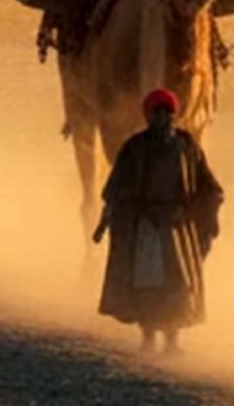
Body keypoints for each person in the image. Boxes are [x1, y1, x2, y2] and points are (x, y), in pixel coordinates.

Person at [93, 88, 224, 354]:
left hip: (178, 227)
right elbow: (116, 188)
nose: (162, 118)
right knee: (148, 283)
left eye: (166, 112)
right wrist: (109, 218)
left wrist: (208, 216)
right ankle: (149, 337)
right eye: (157, 112)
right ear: (148, 115)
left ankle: (172, 340)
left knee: (176, 285)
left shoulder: (187, 146)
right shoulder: (136, 147)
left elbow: (207, 186)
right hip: (147, 226)